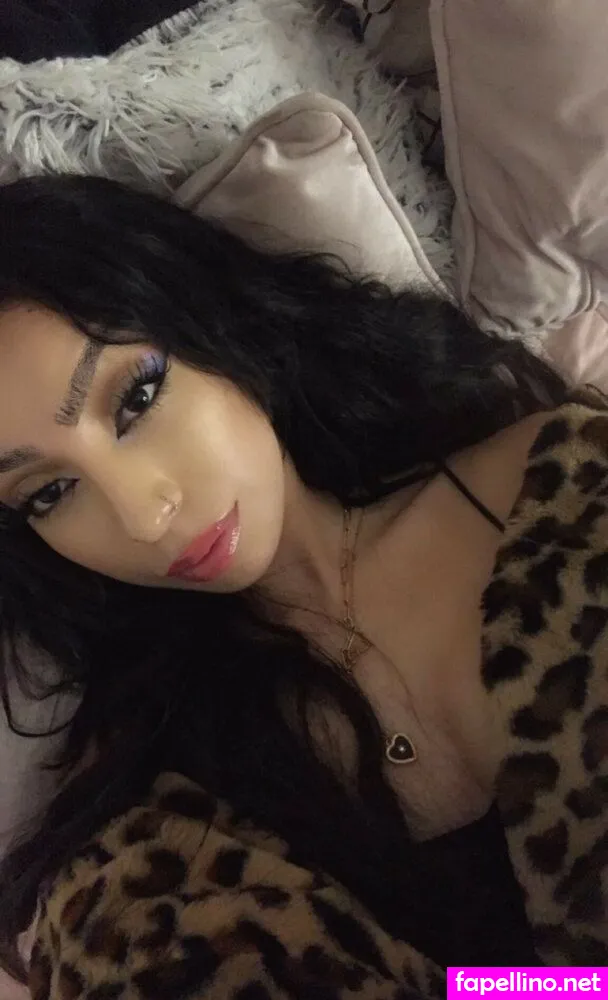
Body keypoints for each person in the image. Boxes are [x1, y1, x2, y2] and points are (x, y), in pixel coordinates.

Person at [0, 174, 605, 998]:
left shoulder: (559, 483)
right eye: (49, 492)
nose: (143, 517)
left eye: (136, 398)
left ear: (212, 322)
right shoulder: (155, 828)